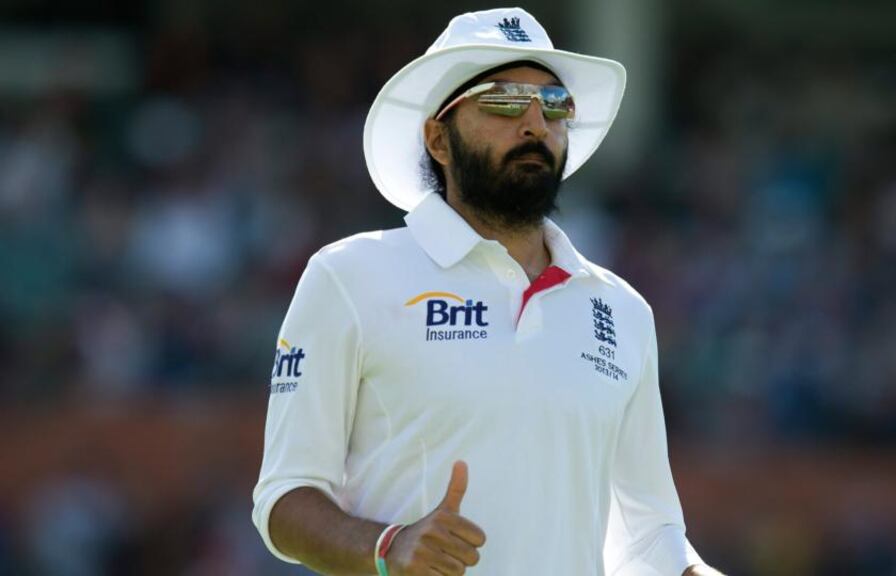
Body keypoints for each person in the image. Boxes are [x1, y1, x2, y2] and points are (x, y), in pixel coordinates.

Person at [253, 7, 724, 576]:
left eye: (554, 105)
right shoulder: (349, 275)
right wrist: (388, 547)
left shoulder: (623, 311)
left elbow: (647, 534)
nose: (535, 124)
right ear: (438, 139)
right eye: (503, 101)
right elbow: (284, 499)